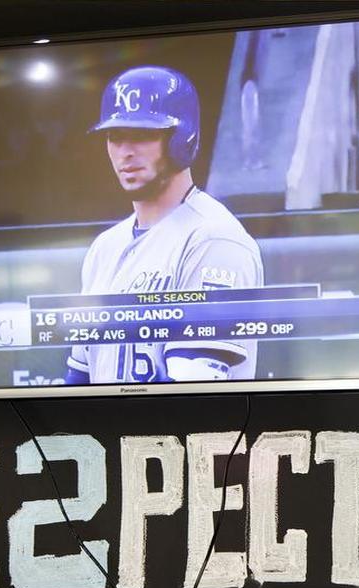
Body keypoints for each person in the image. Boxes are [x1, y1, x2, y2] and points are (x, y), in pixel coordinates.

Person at [66, 66, 264, 385]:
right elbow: (79, 377)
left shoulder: (213, 239)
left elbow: (191, 394)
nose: (125, 153)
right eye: (115, 137)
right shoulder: (105, 247)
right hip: (108, 431)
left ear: (181, 140)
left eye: (143, 135)